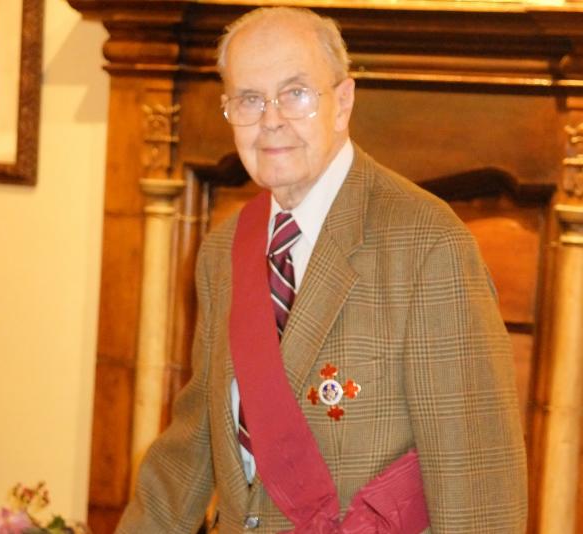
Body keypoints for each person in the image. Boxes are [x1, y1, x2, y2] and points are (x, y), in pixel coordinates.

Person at [117, 6, 527, 533]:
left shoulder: (427, 245)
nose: (271, 120)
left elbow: (478, 487)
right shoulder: (224, 252)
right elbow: (190, 450)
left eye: (296, 93)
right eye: (249, 99)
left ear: (343, 102)